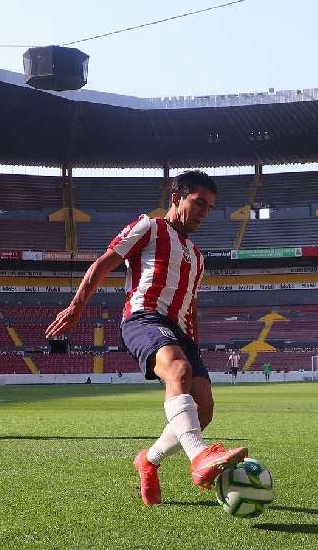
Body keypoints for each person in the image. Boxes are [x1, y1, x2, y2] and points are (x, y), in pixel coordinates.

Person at [46, 170, 247, 507]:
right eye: (198, 203)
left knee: (204, 409)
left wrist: (193, 342)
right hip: (144, 317)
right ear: (176, 198)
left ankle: (148, 460)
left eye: (209, 207)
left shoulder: (197, 257)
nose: (203, 212)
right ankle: (199, 458)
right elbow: (103, 263)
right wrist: (76, 306)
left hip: (180, 331)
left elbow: (190, 305)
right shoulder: (150, 227)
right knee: (177, 371)